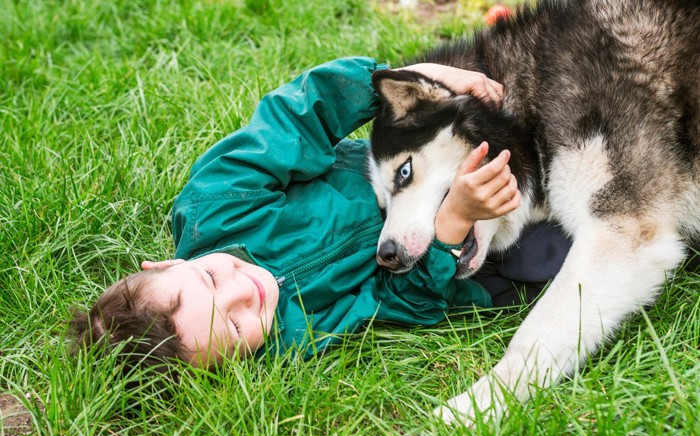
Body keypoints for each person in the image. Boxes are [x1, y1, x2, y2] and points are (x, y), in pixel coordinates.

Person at [71, 57, 570, 370]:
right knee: (544, 262)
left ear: (162, 265)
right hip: (442, 254)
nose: (247, 292)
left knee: (511, 99)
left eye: (211, 279)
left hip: (404, 169)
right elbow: (397, 302)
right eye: (239, 326)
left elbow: (296, 116)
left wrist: (418, 81)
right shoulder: (293, 338)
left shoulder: (214, 206)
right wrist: (454, 222)